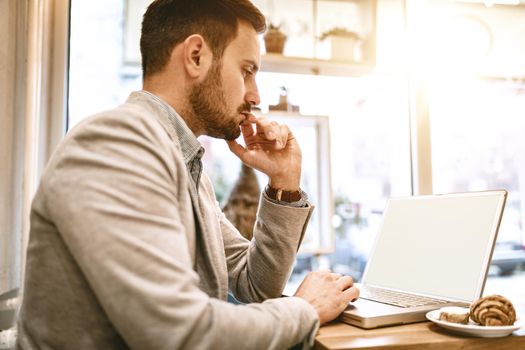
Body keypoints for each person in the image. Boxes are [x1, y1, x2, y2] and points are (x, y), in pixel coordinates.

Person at [16, 0, 359, 349]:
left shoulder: (182, 161)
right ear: (196, 56)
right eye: (246, 71)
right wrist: (304, 309)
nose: (255, 96)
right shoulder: (118, 144)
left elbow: (253, 284)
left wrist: (284, 184)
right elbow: (179, 334)